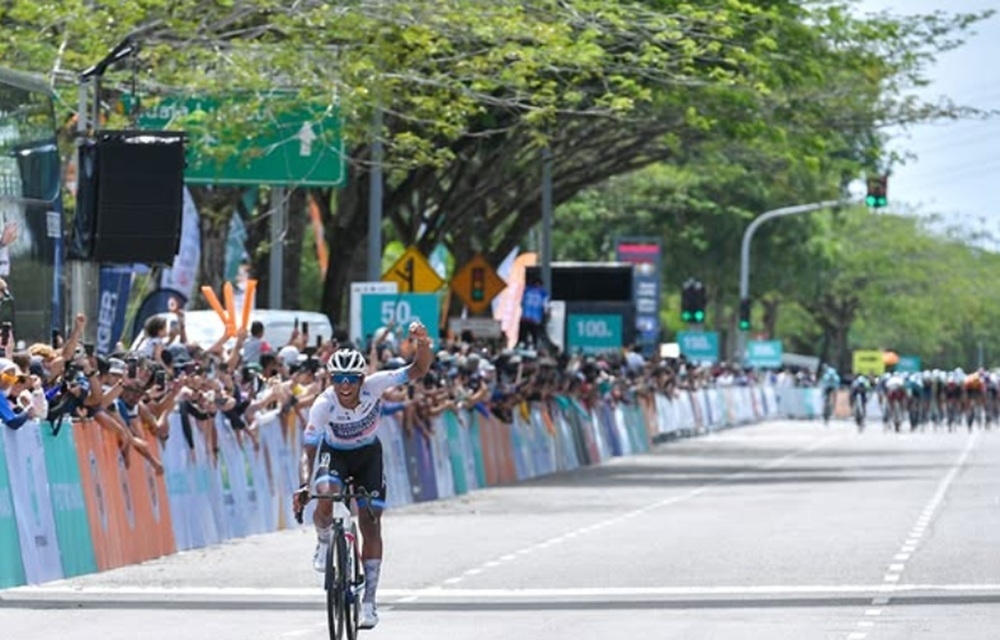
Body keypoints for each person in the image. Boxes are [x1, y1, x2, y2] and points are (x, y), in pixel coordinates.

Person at [297, 321, 433, 630]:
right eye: (338, 379)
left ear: (362, 379)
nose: (344, 385)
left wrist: (423, 342)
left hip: (368, 455)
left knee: (370, 521)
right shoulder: (323, 404)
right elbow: (308, 451)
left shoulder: (376, 384)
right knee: (326, 493)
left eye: (351, 379)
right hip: (336, 455)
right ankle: (323, 539)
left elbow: (417, 370)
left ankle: (369, 601)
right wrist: (305, 485)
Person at [518, 277, 550, 350]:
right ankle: (533, 346)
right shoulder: (543, 293)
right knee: (534, 334)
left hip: (526, 317)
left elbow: (520, 302)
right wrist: (546, 315)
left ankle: (523, 344)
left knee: (524, 333)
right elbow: (545, 306)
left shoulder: (526, 290)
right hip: (535, 318)